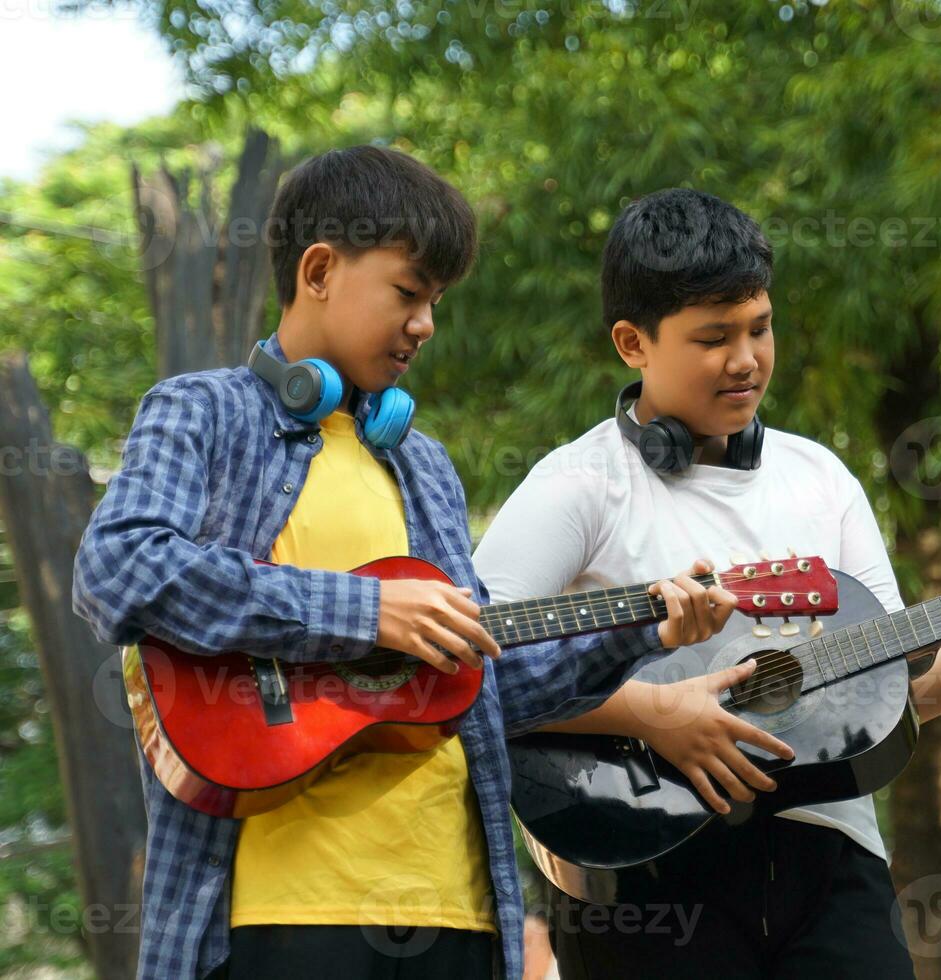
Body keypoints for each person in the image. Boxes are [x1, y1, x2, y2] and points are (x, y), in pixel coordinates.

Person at [72, 150, 736, 980]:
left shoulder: (425, 467)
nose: (426, 323)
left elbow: (485, 687)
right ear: (319, 270)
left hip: (458, 913)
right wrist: (367, 615)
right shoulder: (203, 411)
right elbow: (118, 567)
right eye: (409, 292)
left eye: (437, 302)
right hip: (281, 915)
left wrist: (644, 632)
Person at [472, 188, 941, 978]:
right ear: (632, 342)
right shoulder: (573, 485)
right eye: (714, 338)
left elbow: (911, 691)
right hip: (643, 878)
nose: (746, 359)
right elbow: (471, 665)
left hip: (831, 863)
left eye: (760, 327)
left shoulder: (821, 478)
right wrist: (654, 712)